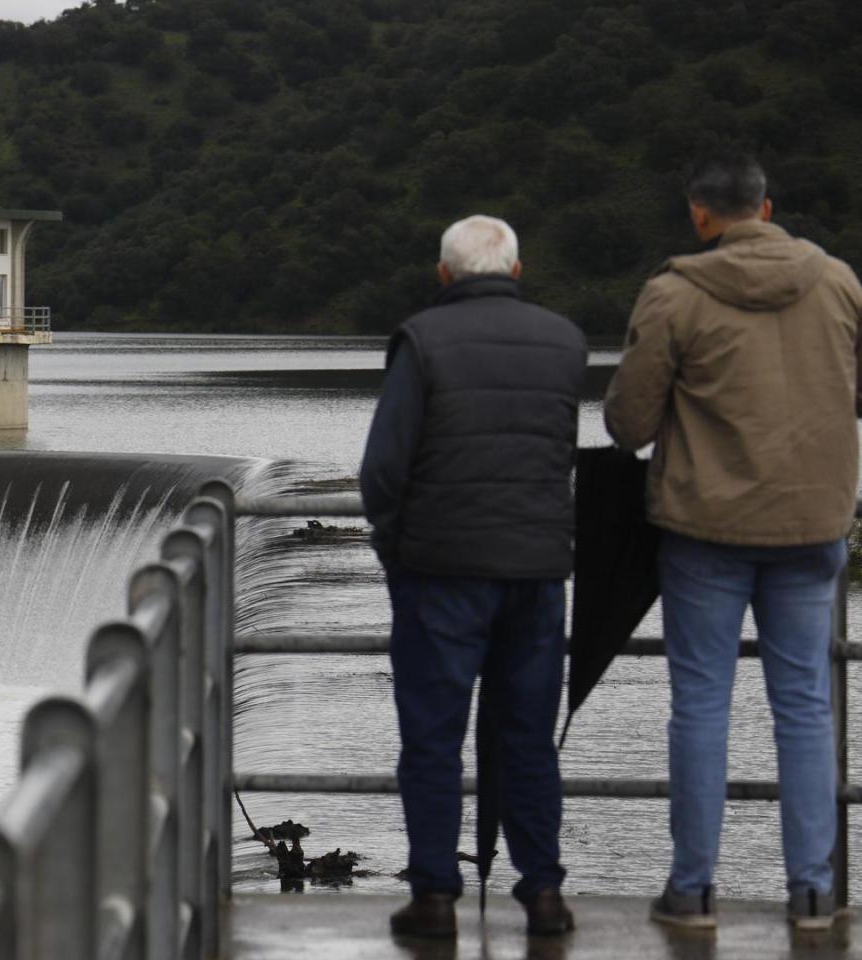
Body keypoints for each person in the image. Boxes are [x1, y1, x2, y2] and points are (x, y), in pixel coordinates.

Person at [605, 152, 862, 931]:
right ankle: (813, 894)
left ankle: (693, 893)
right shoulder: (841, 283)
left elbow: (628, 424)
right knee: (806, 708)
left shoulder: (675, 294)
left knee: (701, 707)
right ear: (769, 208)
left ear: (700, 216)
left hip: (705, 530)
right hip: (813, 525)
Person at [361, 215, 587, 939]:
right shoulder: (566, 342)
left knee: (433, 736)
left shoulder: (422, 341)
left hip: (441, 571)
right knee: (527, 734)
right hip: (538, 573)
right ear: (517, 272)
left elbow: (384, 471)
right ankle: (544, 894)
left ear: (444, 275)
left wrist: (398, 551)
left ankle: (435, 898)